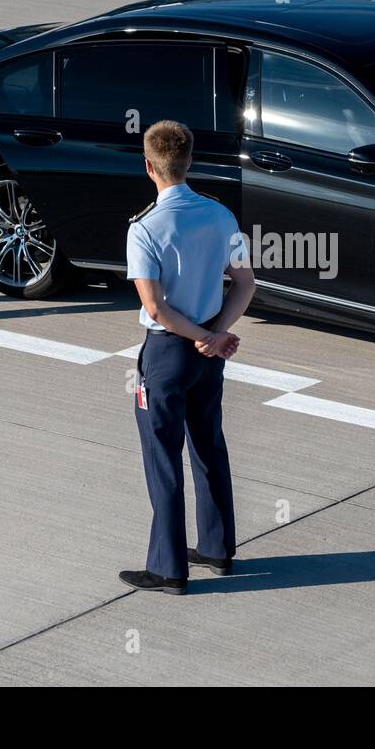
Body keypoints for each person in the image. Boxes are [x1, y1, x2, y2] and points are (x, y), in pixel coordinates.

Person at [121, 121, 256, 595]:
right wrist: (216, 335)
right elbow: (246, 284)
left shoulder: (144, 229)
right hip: (207, 355)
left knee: (163, 459)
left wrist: (202, 335)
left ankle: (168, 568)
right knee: (208, 447)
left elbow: (156, 307)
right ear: (189, 161)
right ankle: (217, 549)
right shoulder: (221, 216)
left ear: (148, 166)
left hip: (166, 353)